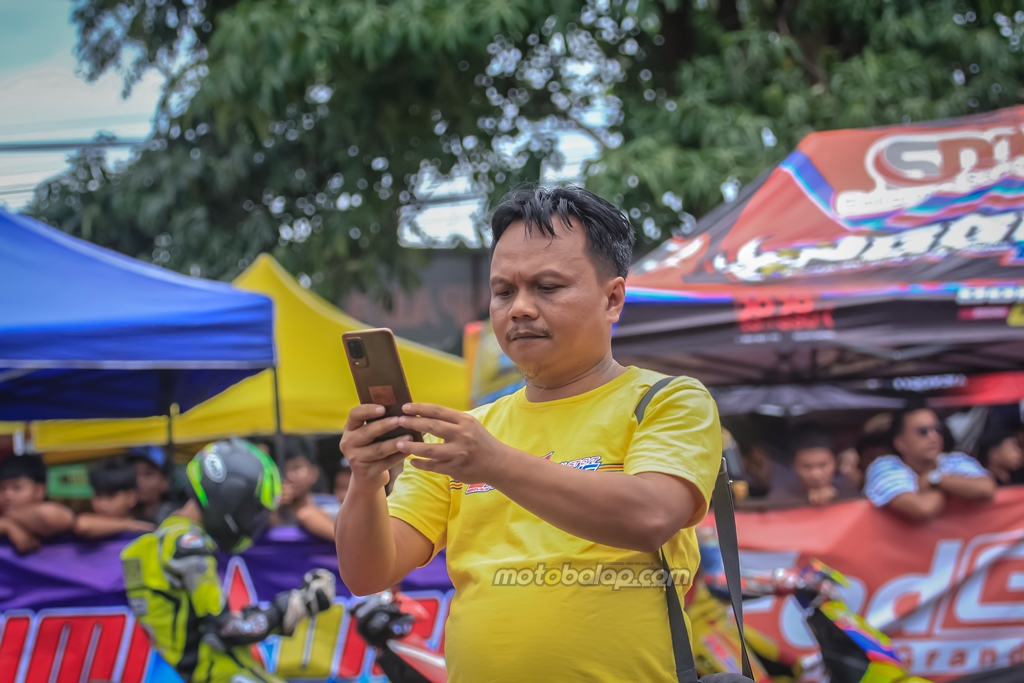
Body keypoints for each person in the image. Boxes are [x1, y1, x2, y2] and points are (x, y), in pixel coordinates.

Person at [335, 186, 722, 683]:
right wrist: (365, 480)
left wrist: (493, 463)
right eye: (503, 292)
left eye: (547, 287)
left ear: (612, 299)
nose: (519, 308)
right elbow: (368, 573)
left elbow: (650, 516)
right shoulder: (465, 436)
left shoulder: (668, 400)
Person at [120, 439, 336, 683]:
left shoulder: (158, 542)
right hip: (220, 674)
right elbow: (228, 629)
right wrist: (297, 604)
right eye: (252, 510)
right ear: (230, 498)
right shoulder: (188, 545)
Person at [863, 407, 995, 522]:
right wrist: (947, 486)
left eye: (937, 429)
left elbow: (986, 488)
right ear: (900, 443)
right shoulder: (884, 466)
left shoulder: (954, 459)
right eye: (923, 431)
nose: (933, 436)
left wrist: (934, 478)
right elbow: (923, 509)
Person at [0, 454, 75, 553]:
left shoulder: (56, 512)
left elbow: (48, 516)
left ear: (39, 490)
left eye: (17, 487)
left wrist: (7, 521)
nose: (7, 495)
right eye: (2, 488)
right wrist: (7, 525)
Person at [768, 430, 858, 506]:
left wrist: (837, 498)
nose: (816, 475)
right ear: (794, 466)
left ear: (834, 463)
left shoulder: (850, 492)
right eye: (806, 466)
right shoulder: (779, 500)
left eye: (823, 465)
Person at [73, 460, 157, 539]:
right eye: (98, 496)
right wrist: (129, 525)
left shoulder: (148, 529)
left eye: (111, 496)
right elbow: (83, 524)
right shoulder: (89, 529)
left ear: (131, 497)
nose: (102, 504)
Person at [274, 436, 336, 541]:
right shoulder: (272, 510)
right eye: (283, 468)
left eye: (297, 467)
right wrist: (274, 507)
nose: (289, 475)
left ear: (314, 472)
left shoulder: (332, 505)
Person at [126, 446, 179, 524]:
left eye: (148, 474)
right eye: (133, 473)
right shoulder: (118, 514)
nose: (138, 481)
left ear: (166, 481)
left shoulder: (175, 517)